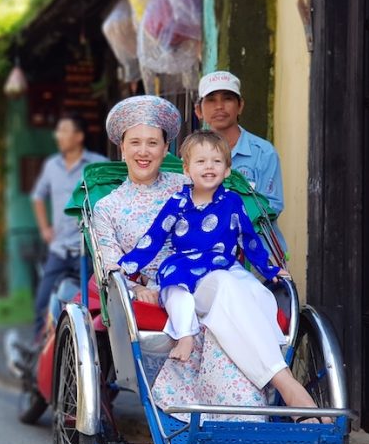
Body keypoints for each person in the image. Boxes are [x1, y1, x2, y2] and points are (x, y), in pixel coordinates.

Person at [94, 95, 321, 422]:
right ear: (123, 148)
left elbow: (242, 228)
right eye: (136, 143)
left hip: (215, 277)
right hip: (166, 288)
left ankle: (268, 392)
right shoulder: (108, 207)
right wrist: (140, 285)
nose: (144, 151)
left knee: (237, 287)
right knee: (229, 288)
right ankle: (285, 384)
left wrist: (269, 267)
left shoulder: (188, 181)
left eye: (153, 143)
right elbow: (118, 264)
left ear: (166, 149)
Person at [118, 131, 288, 362]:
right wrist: (126, 266)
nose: (209, 167)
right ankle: (185, 335)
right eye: (201, 161)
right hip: (183, 264)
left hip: (223, 264)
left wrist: (269, 269)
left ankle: (273, 341)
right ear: (187, 170)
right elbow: (154, 238)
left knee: (258, 292)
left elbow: (248, 239)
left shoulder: (232, 202)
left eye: (216, 161)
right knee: (175, 291)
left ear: (227, 170)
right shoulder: (177, 202)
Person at [31, 113, 107, 337]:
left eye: (64, 130)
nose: (59, 136)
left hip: (88, 250)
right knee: (43, 302)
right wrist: (45, 228)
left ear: (79, 136)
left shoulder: (96, 165)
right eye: (59, 131)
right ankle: (37, 351)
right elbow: (38, 196)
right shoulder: (51, 165)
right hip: (59, 249)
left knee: (94, 305)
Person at [194, 71, 287, 251]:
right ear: (199, 110)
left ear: (240, 106)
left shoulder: (262, 152)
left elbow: (272, 207)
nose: (219, 106)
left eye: (227, 98)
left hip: (259, 257)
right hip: (206, 253)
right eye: (211, 99)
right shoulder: (191, 154)